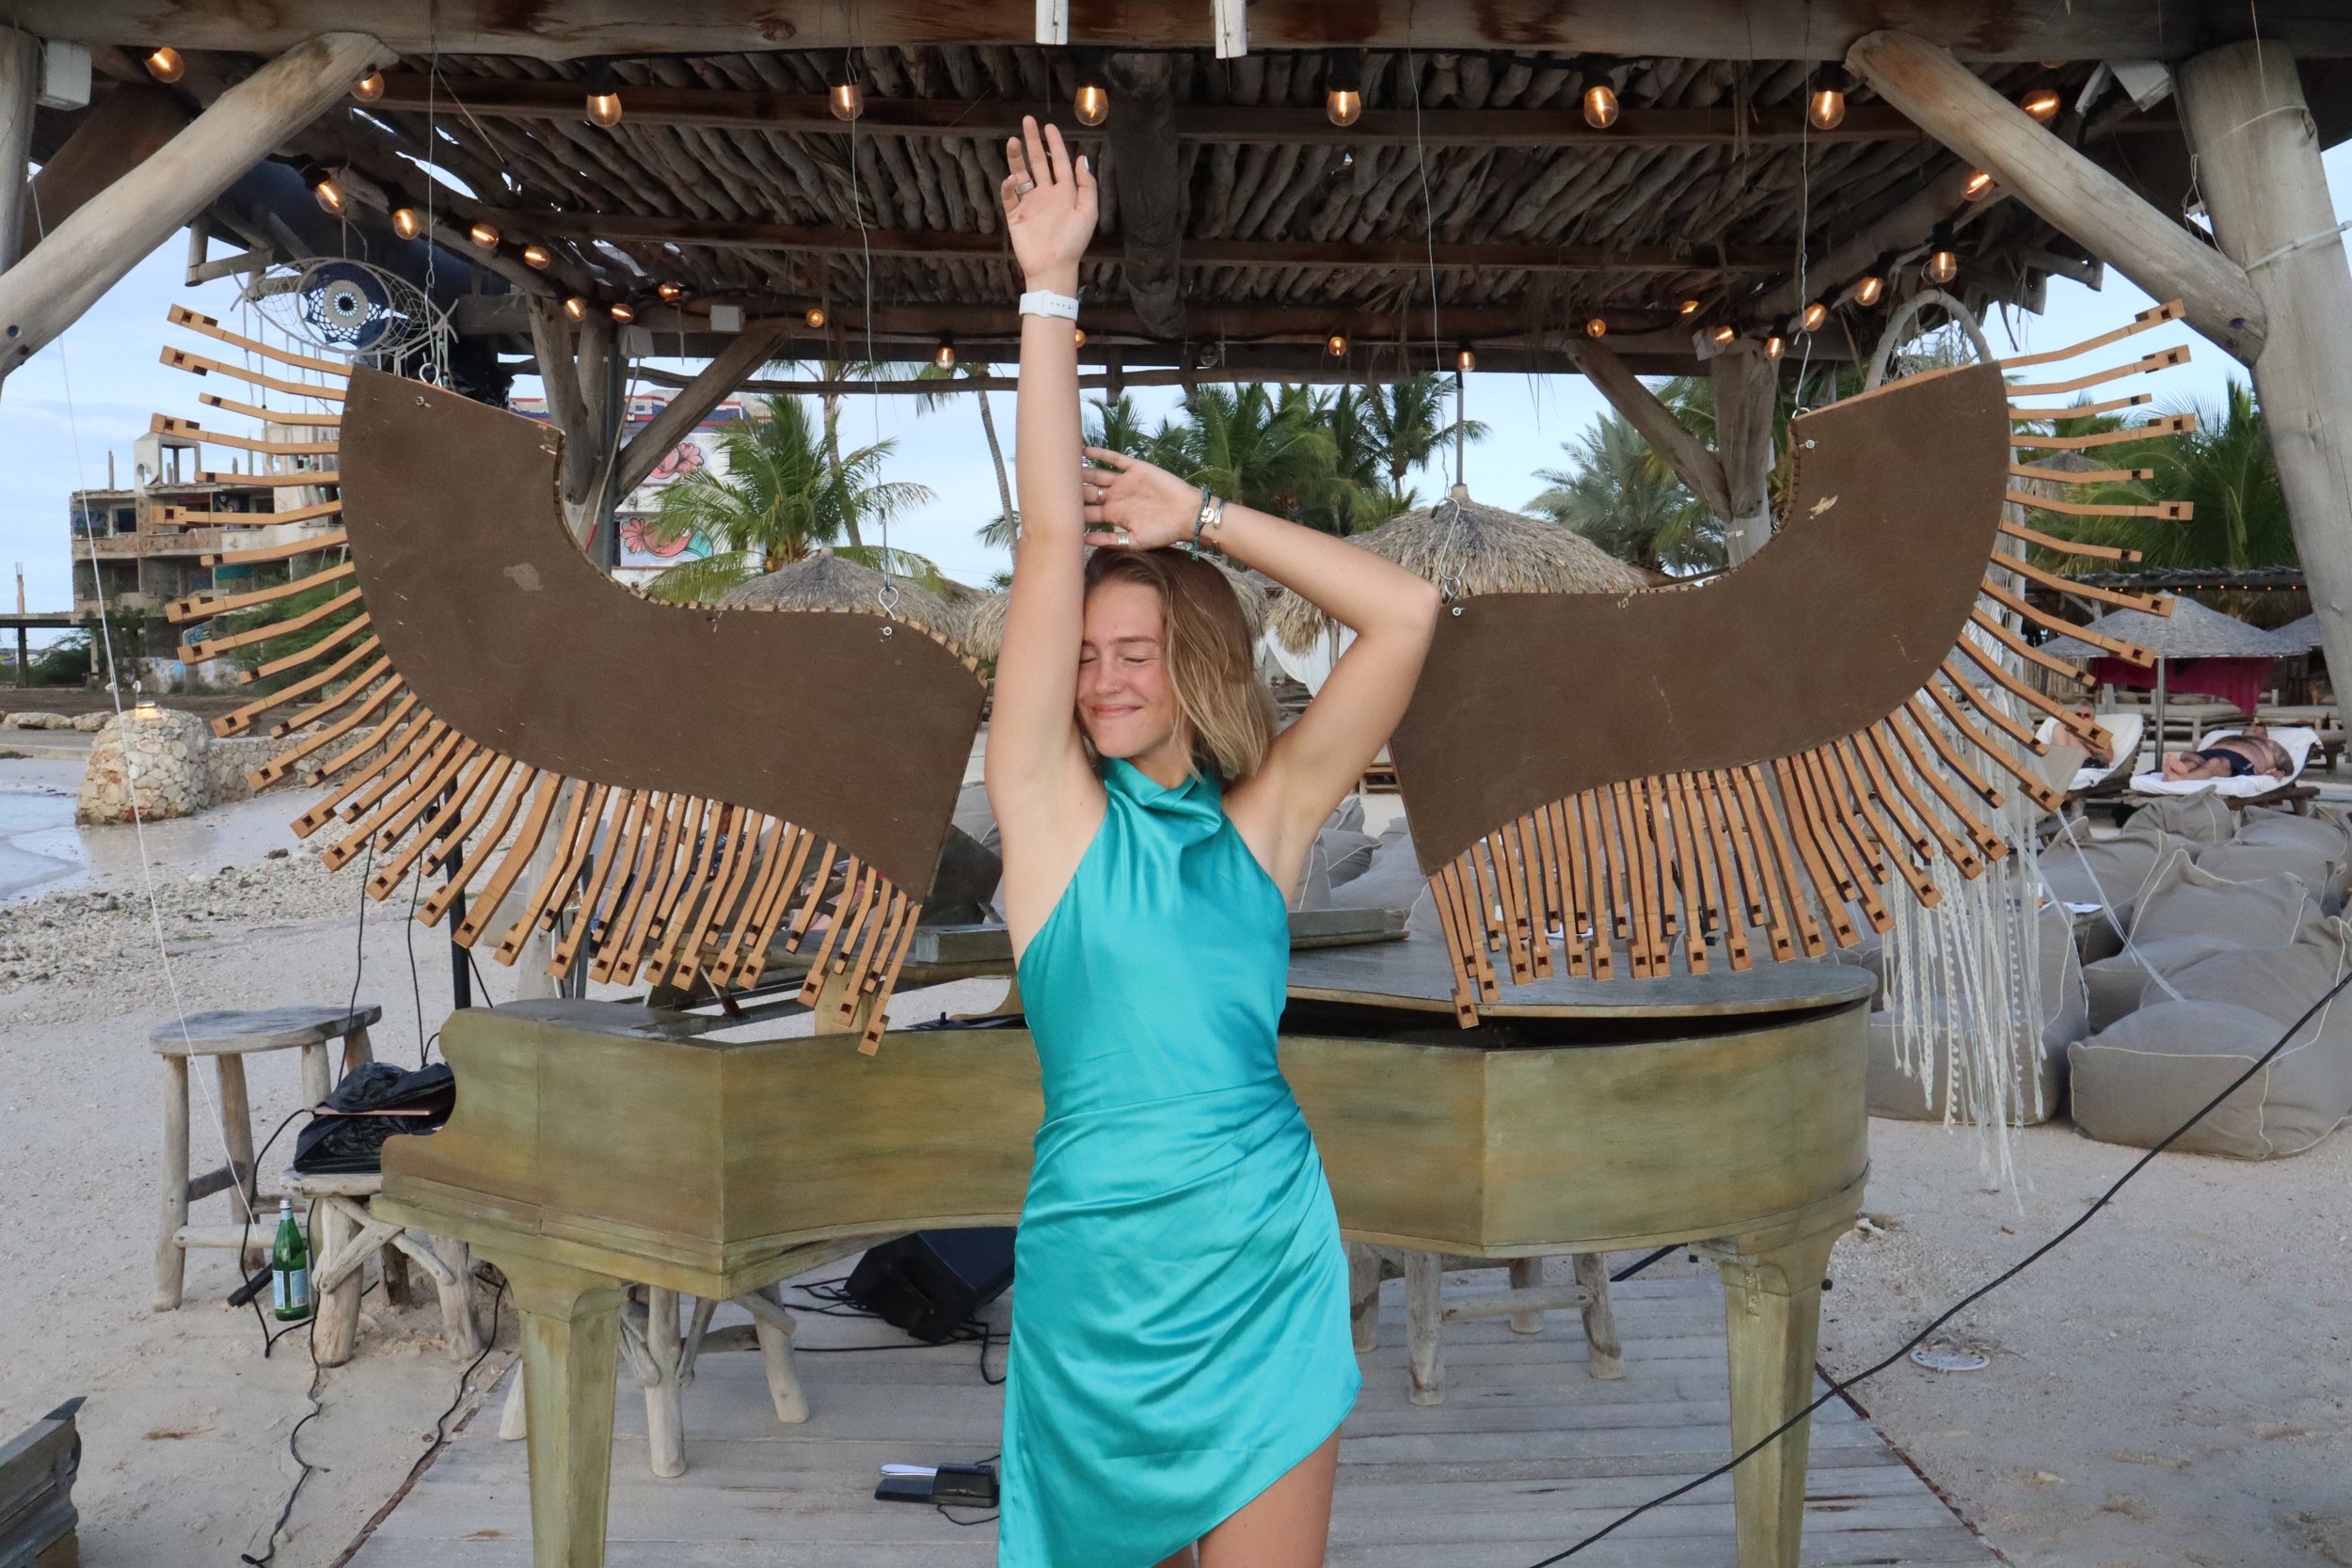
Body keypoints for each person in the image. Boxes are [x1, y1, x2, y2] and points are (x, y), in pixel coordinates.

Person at [983, 117, 1441, 1568]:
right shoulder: (1050, 818)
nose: (1104, 677)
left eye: (1138, 650)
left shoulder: (1264, 825)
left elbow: (1409, 615)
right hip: (1099, 1284)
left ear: (1193, 658)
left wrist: (1210, 514)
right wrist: (1047, 287)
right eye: (1088, 657)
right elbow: (1052, 544)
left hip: (1263, 1261)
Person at [2158, 722, 2294, 784]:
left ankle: (2179, 778)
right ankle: (2179, 769)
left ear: (2265, 733)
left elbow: (2286, 760)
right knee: (2190, 758)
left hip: (2241, 760)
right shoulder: (2230, 737)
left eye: (2258, 725)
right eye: (2250, 723)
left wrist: (2281, 771)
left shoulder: (2268, 744)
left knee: (2216, 763)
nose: (2252, 726)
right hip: (2211, 752)